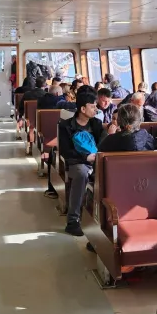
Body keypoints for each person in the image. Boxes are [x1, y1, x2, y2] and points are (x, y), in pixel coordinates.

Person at [57, 91, 105, 236]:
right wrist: (86, 157)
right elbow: (65, 151)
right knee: (81, 173)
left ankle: (102, 222)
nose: (95, 109)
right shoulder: (65, 126)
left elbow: (102, 145)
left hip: (95, 161)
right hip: (77, 162)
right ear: (83, 109)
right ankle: (73, 221)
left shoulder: (96, 124)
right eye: (92, 106)